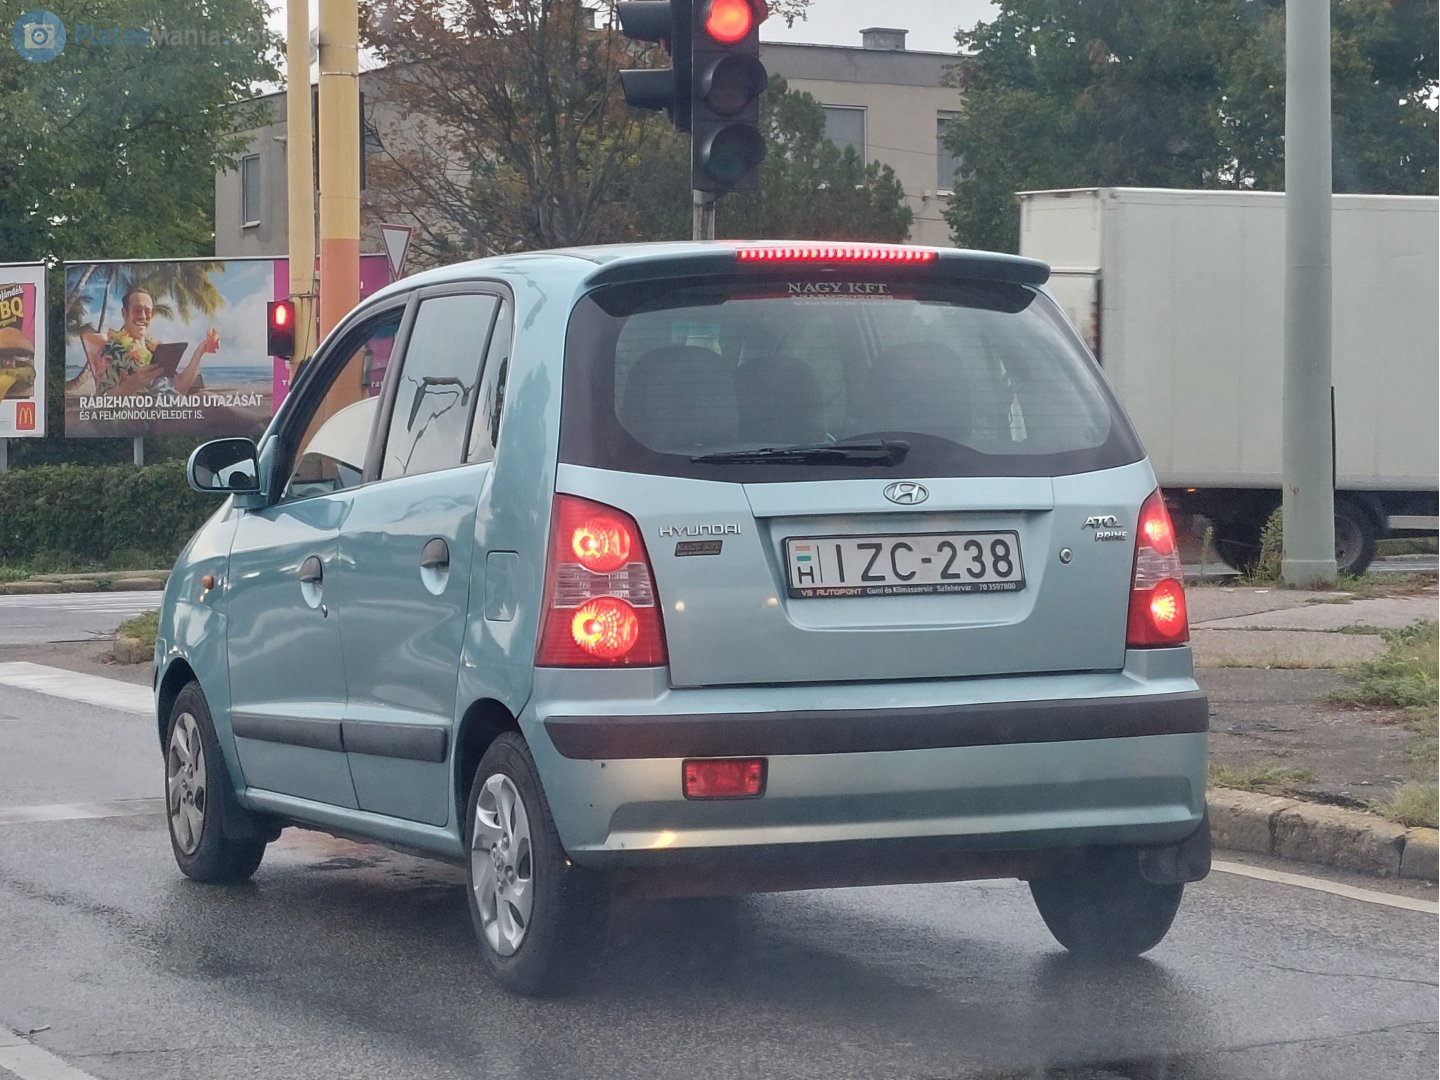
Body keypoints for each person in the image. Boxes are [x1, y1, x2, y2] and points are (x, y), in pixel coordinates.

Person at [82, 288, 219, 397]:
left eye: (147, 311)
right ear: (125, 313)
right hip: (143, 421)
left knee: (211, 399)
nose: (142, 316)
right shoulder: (112, 350)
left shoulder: (157, 350)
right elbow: (101, 402)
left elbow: (179, 388)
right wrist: (131, 385)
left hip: (171, 411)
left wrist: (200, 352)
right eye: (137, 310)